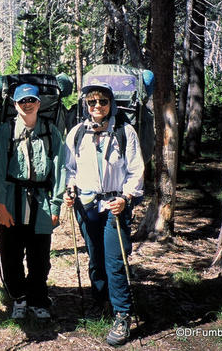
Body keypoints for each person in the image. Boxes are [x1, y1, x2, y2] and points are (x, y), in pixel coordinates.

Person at [63, 82, 144, 346]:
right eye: (91, 102)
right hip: (86, 204)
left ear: (112, 104)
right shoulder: (77, 133)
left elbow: (136, 170)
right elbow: (70, 168)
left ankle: (122, 314)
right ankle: (101, 302)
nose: (97, 106)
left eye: (103, 102)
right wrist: (69, 188)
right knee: (95, 257)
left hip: (115, 204)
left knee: (115, 261)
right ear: (85, 105)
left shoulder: (124, 132)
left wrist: (126, 197)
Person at [0, 83, 65, 320]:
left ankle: (38, 298)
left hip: (41, 203)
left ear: (39, 103)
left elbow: (59, 168)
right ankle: (18, 298)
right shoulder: (6, 130)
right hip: (12, 201)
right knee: (11, 253)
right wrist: (0, 204)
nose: (27, 104)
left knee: (40, 256)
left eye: (31, 100)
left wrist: (55, 205)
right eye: (22, 101)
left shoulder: (50, 131)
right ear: (15, 105)